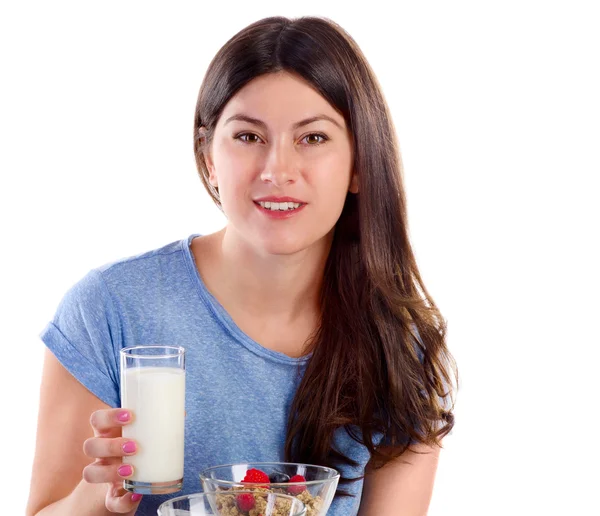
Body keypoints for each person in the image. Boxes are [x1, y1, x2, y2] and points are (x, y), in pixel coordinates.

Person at [26, 15, 457, 516]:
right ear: (209, 158)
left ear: (359, 164)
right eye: (249, 137)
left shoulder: (400, 349)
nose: (278, 170)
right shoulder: (111, 308)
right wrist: (97, 500)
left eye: (313, 138)